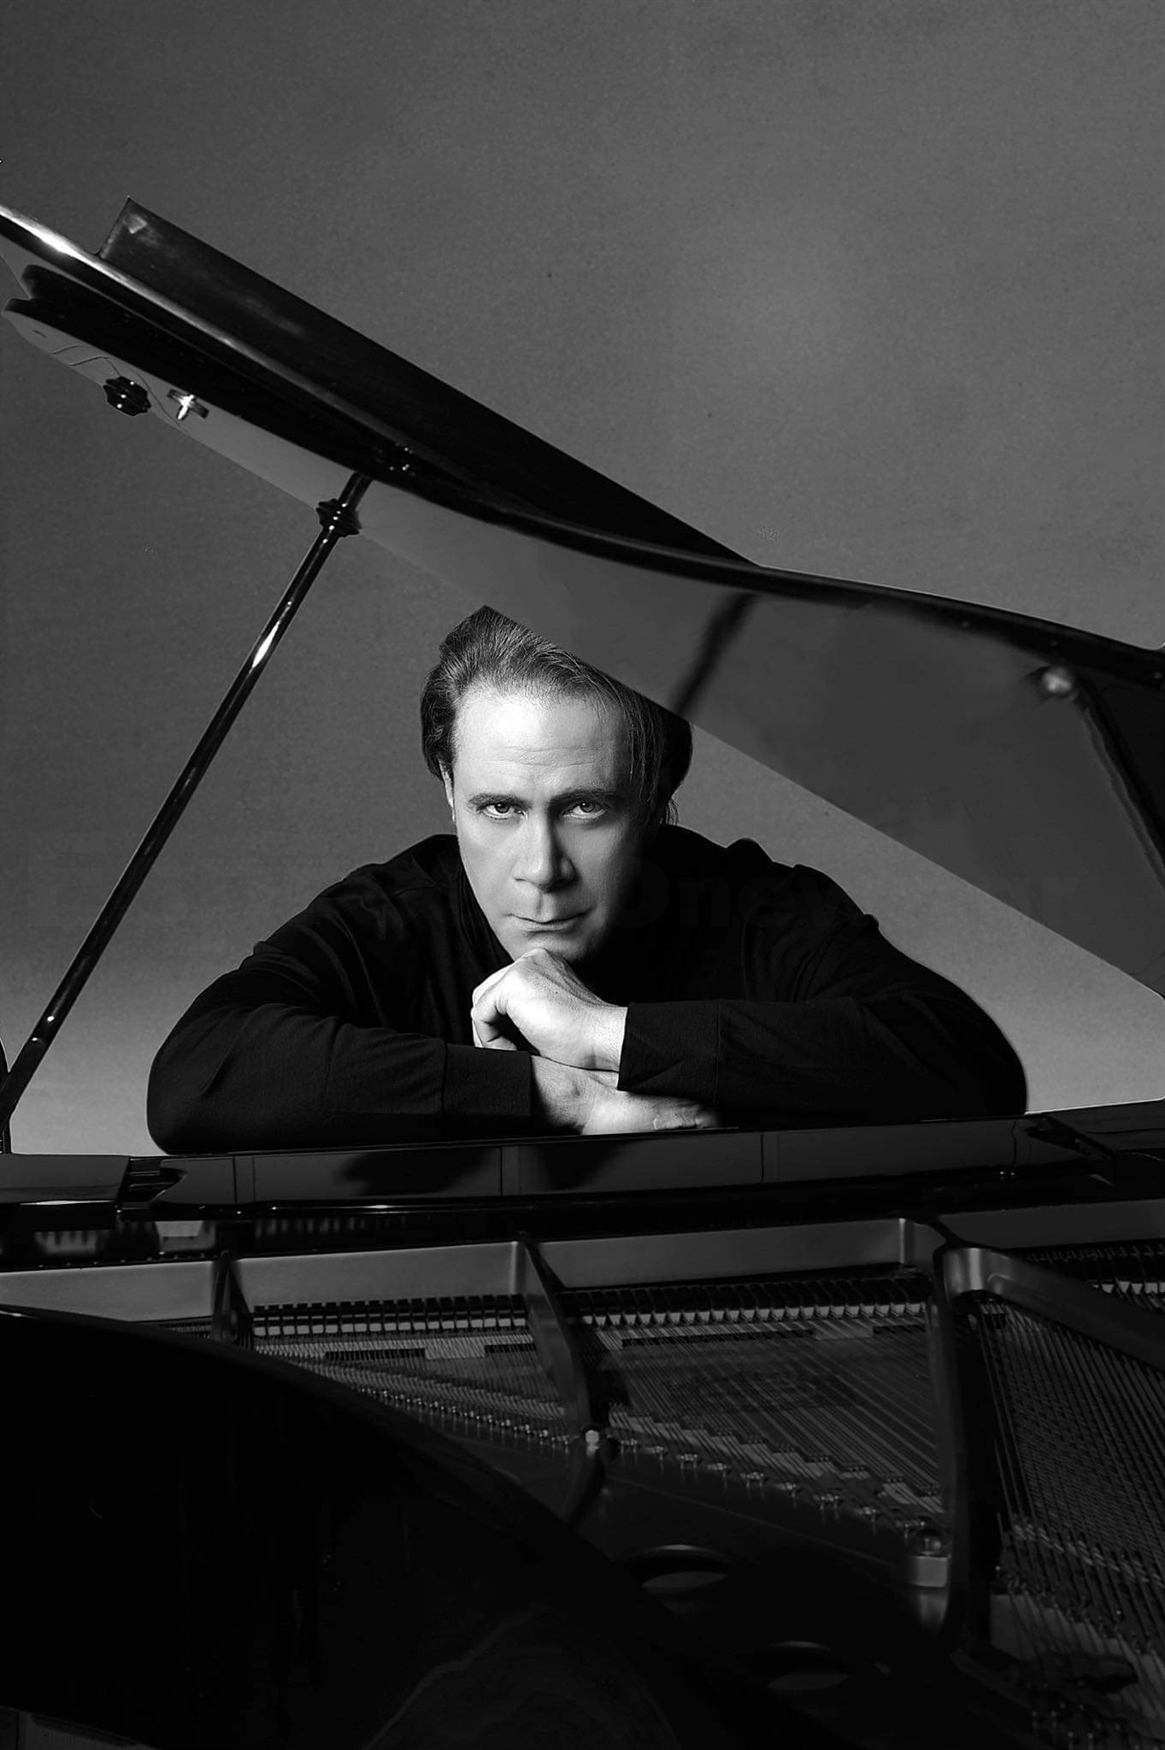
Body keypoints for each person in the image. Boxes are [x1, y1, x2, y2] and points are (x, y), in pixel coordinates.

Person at [147, 608, 1026, 1151]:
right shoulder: (389, 915)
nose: (541, 868)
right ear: (447, 786)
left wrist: (606, 1035)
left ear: (654, 795)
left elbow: (969, 1067)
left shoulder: (752, 906)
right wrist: (561, 1097)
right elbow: (198, 1077)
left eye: (585, 808)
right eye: (498, 808)